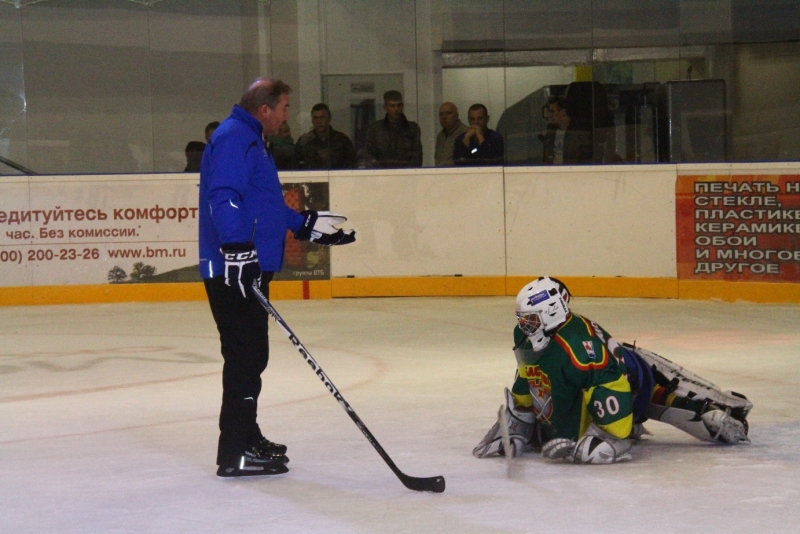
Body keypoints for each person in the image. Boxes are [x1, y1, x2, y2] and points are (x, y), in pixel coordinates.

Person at [199, 77, 356, 478]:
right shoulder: (235, 138)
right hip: (235, 269)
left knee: (253, 356)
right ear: (265, 109)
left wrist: (305, 224)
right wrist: (235, 247)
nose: (289, 116)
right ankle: (234, 451)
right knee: (244, 357)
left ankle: (246, 437)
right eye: (285, 108)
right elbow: (224, 195)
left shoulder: (252, 139)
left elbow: (263, 203)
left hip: (249, 264)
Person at [473, 277, 752, 464]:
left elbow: (613, 395)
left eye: (531, 319)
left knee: (659, 399)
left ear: (551, 313)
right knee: (655, 392)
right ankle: (706, 410)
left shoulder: (580, 350)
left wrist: (606, 439)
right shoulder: (536, 336)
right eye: (523, 319)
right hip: (617, 360)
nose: (525, 326)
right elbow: (530, 372)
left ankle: (714, 414)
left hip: (629, 377)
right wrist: (518, 420)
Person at [363, 90, 422, 168]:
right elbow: (369, 157)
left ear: (402, 106)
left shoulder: (412, 129)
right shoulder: (374, 130)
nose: (396, 109)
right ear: (385, 107)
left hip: (406, 175)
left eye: (399, 105)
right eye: (392, 106)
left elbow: (417, 158)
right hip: (382, 175)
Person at [295, 103, 357, 169]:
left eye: (322, 117)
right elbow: (295, 166)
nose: (319, 121)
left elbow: (352, 166)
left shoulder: (342, 140)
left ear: (329, 118)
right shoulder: (304, 142)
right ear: (312, 120)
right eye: (316, 118)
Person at [540, 97, 592, 165]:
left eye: (553, 111)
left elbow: (586, 157)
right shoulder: (550, 132)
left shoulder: (578, 134)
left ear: (563, 112)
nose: (551, 115)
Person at [434, 102, 468, 167]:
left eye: (448, 113)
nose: (444, 117)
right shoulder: (440, 136)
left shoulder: (465, 133)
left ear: (456, 116)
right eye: (441, 114)